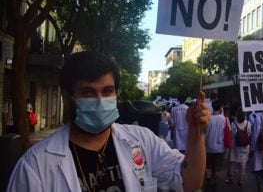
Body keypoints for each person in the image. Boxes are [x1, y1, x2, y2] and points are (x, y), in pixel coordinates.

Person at [7, 51, 210, 191]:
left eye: (107, 91)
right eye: (87, 92)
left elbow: (189, 182)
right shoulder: (35, 165)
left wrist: (196, 133)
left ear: (116, 94)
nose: (99, 100)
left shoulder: (141, 141)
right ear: (67, 97)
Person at [204, 100, 227, 191]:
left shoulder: (208, 118)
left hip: (209, 147)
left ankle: (209, 182)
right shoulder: (224, 119)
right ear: (221, 108)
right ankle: (216, 186)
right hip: (220, 148)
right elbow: (227, 133)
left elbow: (204, 133)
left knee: (208, 167)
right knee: (217, 169)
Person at [227, 107, 251, 186]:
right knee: (243, 162)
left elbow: (232, 135)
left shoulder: (233, 123)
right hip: (245, 146)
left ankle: (231, 178)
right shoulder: (248, 123)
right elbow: (249, 133)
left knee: (233, 160)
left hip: (235, 145)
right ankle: (241, 179)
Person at [249, 110, 263, 192]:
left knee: (259, 174)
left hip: (259, 149)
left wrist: (252, 149)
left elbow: (255, 135)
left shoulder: (258, 118)